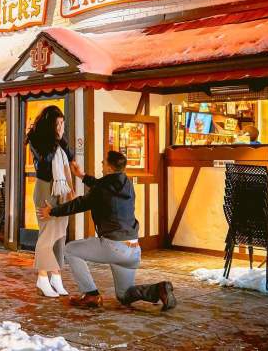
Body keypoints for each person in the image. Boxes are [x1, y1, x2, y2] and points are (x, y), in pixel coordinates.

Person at [38, 150, 176, 310]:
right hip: (133, 249)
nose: (101, 164)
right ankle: (159, 289)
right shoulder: (126, 183)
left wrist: (52, 211)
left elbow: (80, 203)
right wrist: (82, 176)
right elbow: (102, 187)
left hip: (114, 246)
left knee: (70, 249)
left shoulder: (102, 189)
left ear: (110, 168)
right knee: (124, 295)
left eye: (104, 162)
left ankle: (90, 294)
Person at [26, 105, 77, 298]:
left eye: (63, 123)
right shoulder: (35, 138)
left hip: (61, 190)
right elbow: (45, 160)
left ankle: (56, 275)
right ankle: (42, 277)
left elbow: (70, 157)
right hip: (45, 188)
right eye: (58, 123)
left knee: (60, 234)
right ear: (50, 124)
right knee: (47, 234)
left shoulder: (59, 140)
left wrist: (61, 138)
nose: (62, 127)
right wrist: (56, 140)